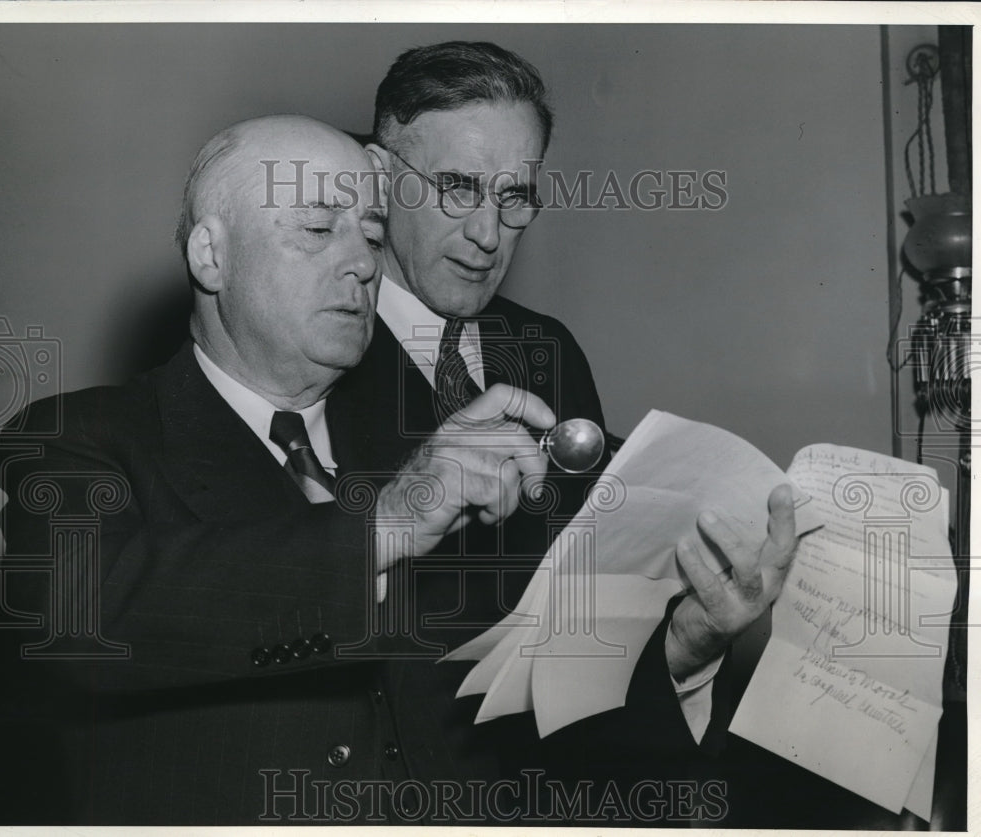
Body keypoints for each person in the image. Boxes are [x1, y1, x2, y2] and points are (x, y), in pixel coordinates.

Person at [0, 114, 559, 825]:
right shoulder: (80, 437)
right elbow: (83, 624)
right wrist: (381, 525)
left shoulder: (411, 444)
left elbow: (516, 712)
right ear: (211, 255)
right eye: (319, 230)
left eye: (374, 235)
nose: (363, 264)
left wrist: (679, 643)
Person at [326, 40, 799, 814]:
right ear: (379, 176)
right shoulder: (318, 351)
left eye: (516, 195)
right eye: (458, 187)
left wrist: (691, 640)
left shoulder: (544, 350)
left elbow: (581, 639)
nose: (490, 232)